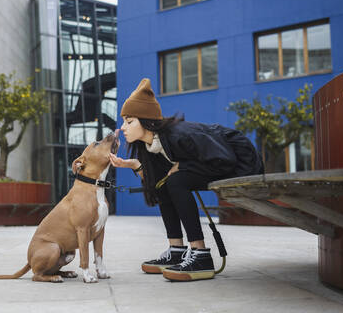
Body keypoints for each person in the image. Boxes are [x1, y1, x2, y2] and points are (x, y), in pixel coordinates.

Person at [109, 78, 263, 281]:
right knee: (165, 184)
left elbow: (224, 158)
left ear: (147, 121)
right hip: (214, 164)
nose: (123, 128)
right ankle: (176, 250)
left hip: (239, 163)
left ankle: (201, 255)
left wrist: (182, 166)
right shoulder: (151, 147)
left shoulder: (180, 134)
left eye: (129, 122)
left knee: (176, 181)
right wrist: (134, 165)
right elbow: (156, 186)